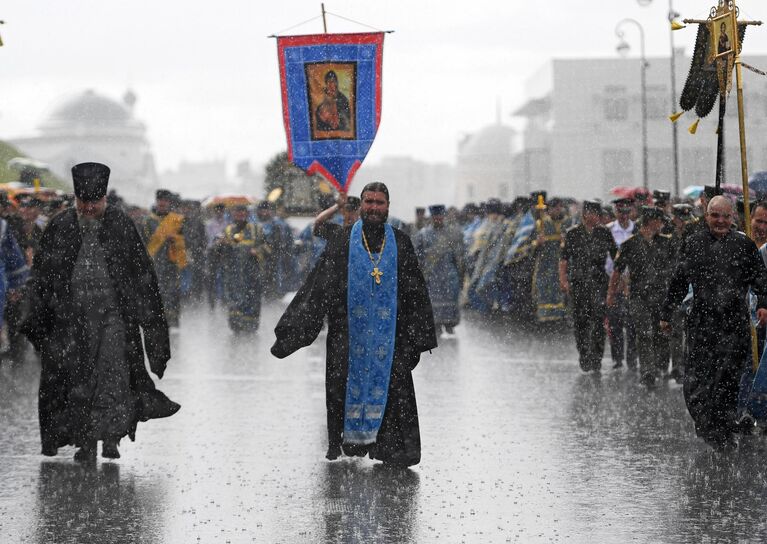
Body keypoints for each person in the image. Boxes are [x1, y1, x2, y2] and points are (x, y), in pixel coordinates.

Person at [19, 163, 179, 461]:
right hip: (71, 320)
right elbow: (43, 273)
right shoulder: (62, 225)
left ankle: (110, 436)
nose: (89, 208)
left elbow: (141, 273)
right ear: (76, 199)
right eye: (84, 202)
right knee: (78, 381)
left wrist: (150, 320)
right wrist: (37, 313)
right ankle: (86, 440)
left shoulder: (120, 224)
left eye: (95, 202)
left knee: (113, 376)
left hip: (114, 317)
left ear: (104, 199)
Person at [271, 182, 437, 466]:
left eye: (379, 203)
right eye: (368, 202)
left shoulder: (400, 241)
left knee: (394, 390)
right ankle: (349, 444)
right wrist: (297, 328)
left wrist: (418, 332)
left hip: (390, 334)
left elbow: (415, 290)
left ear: (388, 206)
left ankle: (392, 450)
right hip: (348, 333)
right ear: (360, 205)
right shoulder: (343, 239)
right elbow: (319, 285)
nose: (373, 207)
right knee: (342, 387)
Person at [661, 196, 767, 450]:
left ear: (733, 219)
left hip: (735, 325)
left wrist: (763, 303)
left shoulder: (744, 245)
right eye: (715, 215)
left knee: (728, 379)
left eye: (725, 216)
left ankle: (724, 427)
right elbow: (678, 280)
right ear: (706, 216)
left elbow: (760, 278)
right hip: (702, 324)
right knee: (699, 381)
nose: (720, 221)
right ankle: (707, 423)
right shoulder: (693, 243)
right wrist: (666, 313)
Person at [607, 207, 674, 387]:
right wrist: (611, 294)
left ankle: (661, 367)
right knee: (644, 334)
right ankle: (647, 373)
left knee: (661, 333)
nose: (661, 225)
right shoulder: (630, 244)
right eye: (659, 221)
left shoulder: (666, 243)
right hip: (639, 297)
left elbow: (676, 269)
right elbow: (617, 271)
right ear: (651, 221)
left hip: (661, 296)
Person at [560, 200, 618, 372]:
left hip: (599, 282)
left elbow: (616, 257)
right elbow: (563, 259)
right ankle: (584, 353)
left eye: (598, 214)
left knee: (599, 322)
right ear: (585, 214)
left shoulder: (604, 233)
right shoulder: (572, 234)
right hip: (578, 283)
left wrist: (618, 279)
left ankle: (597, 358)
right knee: (580, 322)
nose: (597, 218)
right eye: (593, 214)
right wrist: (563, 280)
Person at [413, 204, 465, 337]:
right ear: (432, 217)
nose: (438, 219)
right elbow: (418, 255)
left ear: (444, 217)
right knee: (433, 301)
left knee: (451, 300)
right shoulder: (423, 234)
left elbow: (459, 255)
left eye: (440, 217)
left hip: (449, 273)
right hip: (432, 273)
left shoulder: (453, 233)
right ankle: (436, 324)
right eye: (436, 217)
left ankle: (450, 324)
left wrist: (460, 273)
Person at [219, 204, 269, 333]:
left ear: (247, 214)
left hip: (252, 273)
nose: (240, 215)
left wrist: (257, 251)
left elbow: (268, 247)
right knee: (235, 299)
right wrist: (221, 244)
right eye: (237, 212)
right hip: (233, 274)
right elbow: (220, 251)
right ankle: (236, 325)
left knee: (252, 299)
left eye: (243, 212)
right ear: (233, 214)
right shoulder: (228, 230)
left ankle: (250, 325)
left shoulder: (257, 230)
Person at [142, 190, 187, 328]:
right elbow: (143, 241)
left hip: (171, 262)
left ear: (169, 203)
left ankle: (173, 322)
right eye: (160, 200)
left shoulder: (176, 219)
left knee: (172, 292)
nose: (162, 203)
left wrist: (174, 239)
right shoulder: (148, 220)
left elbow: (185, 240)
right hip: (154, 262)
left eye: (165, 201)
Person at [605, 197, 637, 370]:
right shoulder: (608, 230)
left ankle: (632, 357)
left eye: (626, 212)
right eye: (620, 211)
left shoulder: (637, 229)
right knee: (615, 321)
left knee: (633, 323)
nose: (623, 215)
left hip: (633, 281)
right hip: (614, 280)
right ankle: (617, 358)